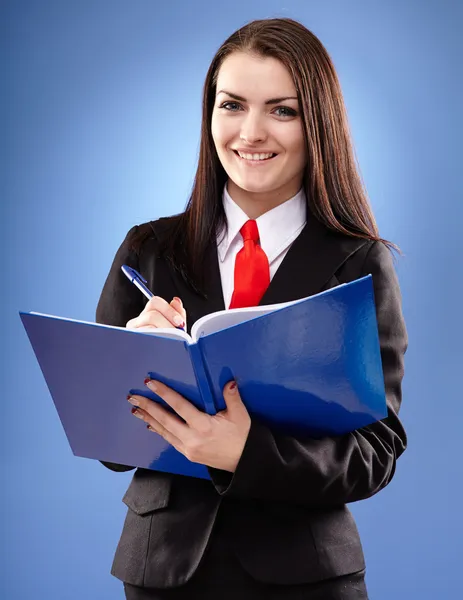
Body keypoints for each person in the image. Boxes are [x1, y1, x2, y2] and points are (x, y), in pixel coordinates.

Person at [96, 17, 407, 600]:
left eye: (282, 110)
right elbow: (106, 445)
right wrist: (126, 361)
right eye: (232, 105)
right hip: (161, 571)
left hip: (307, 575)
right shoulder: (147, 249)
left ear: (317, 123)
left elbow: (376, 451)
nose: (251, 132)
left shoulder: (359, 262)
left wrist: (245, 454)